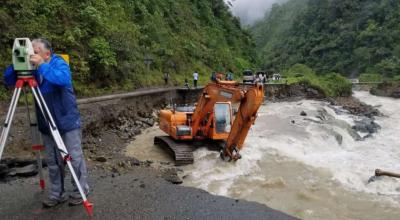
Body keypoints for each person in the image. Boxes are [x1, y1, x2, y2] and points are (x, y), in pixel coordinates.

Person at [3, 38, 89, 208]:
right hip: (46, 123)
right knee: (53, 161)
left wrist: (42, 65)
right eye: (30, 51)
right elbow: (9, 80)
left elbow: (62, 79)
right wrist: (18, 62)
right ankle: (57, 193)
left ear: (47, 53)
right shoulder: (32, 69)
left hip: (66, 121)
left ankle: (80, 191)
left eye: (34, 52)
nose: (31, 55)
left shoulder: (59, 63)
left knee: (74, 158)